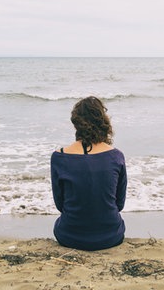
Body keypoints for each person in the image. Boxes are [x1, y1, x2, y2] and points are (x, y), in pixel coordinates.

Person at [51, 96, 127, 251]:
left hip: (69, 235)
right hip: (110, 235)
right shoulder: (116, 156)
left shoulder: (59, 157)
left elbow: (60, 204)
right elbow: (119, 204)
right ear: (103, 121)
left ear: (75, 123)